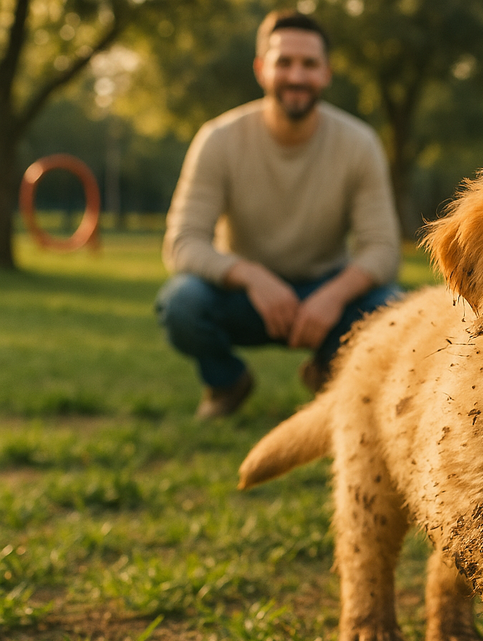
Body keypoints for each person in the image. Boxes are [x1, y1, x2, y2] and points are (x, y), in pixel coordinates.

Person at [156, 10, 402, 419]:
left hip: (326, 295)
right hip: (244, 296)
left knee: (393, 308)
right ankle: (226, 382)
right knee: (181, 302)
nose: (296, 76)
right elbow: (182, 242)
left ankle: (331, 372)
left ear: (326, 72)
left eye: (309, 64)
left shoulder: (360, 144)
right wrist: (251, 276)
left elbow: (382, 250)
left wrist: (333, 295)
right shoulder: (218, 139)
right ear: (261, 69)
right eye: (283, 62)